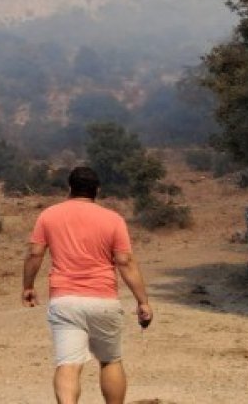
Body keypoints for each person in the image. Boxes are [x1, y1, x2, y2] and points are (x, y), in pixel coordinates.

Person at [21, 166, 153, 404]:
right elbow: (125, 262)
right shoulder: (113, 219)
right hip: (103, 300)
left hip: (65, 301)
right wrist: (142, 301)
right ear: (97, 190)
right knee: (110, 360)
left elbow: (34, 254)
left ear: (69, 188)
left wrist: (28, 286)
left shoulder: (49, 215)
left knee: (68, 365)